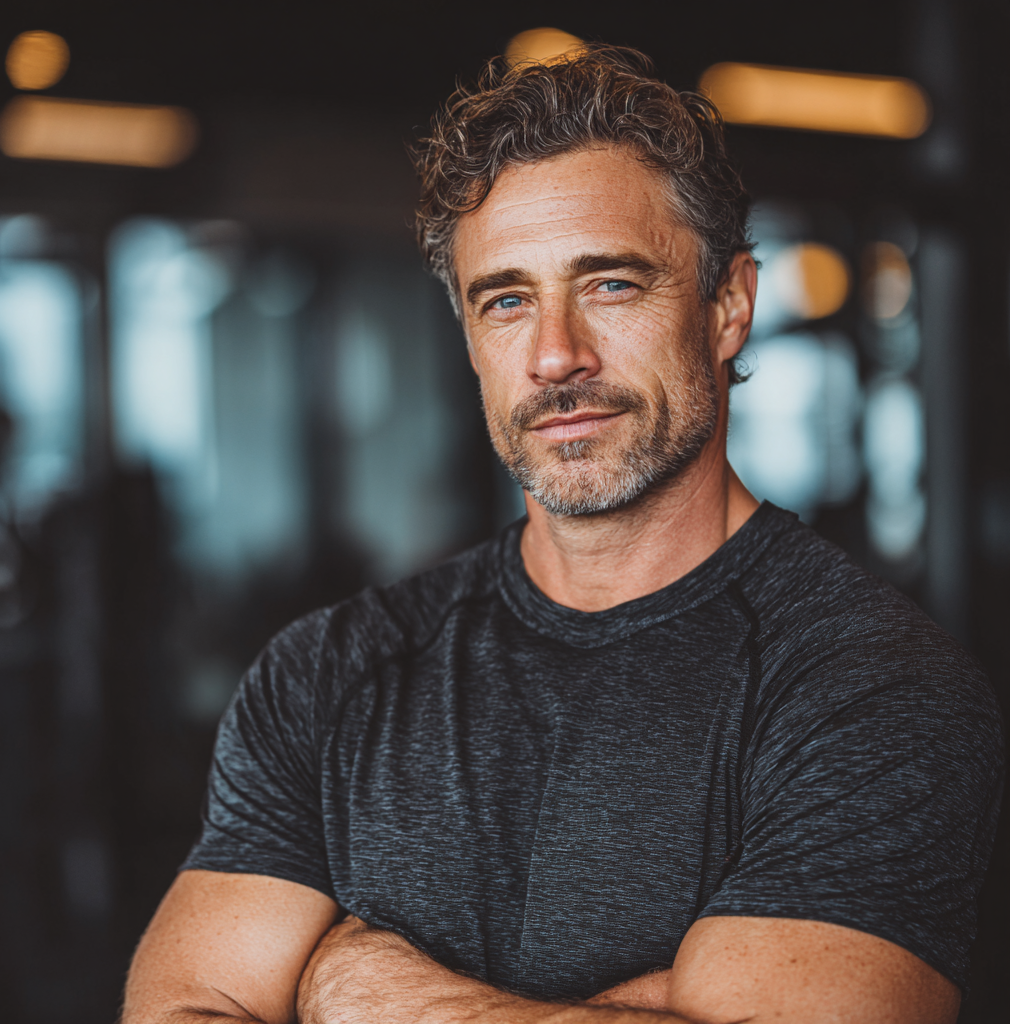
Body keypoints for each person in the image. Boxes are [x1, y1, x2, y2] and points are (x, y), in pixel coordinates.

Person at [122, 47, 1003, 1024]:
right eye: (505, 299)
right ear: (469, 339)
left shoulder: (871, 693)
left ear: (728, 305)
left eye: (611, 285)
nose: (553, 355)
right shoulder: (326, 675)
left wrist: (360, 985)